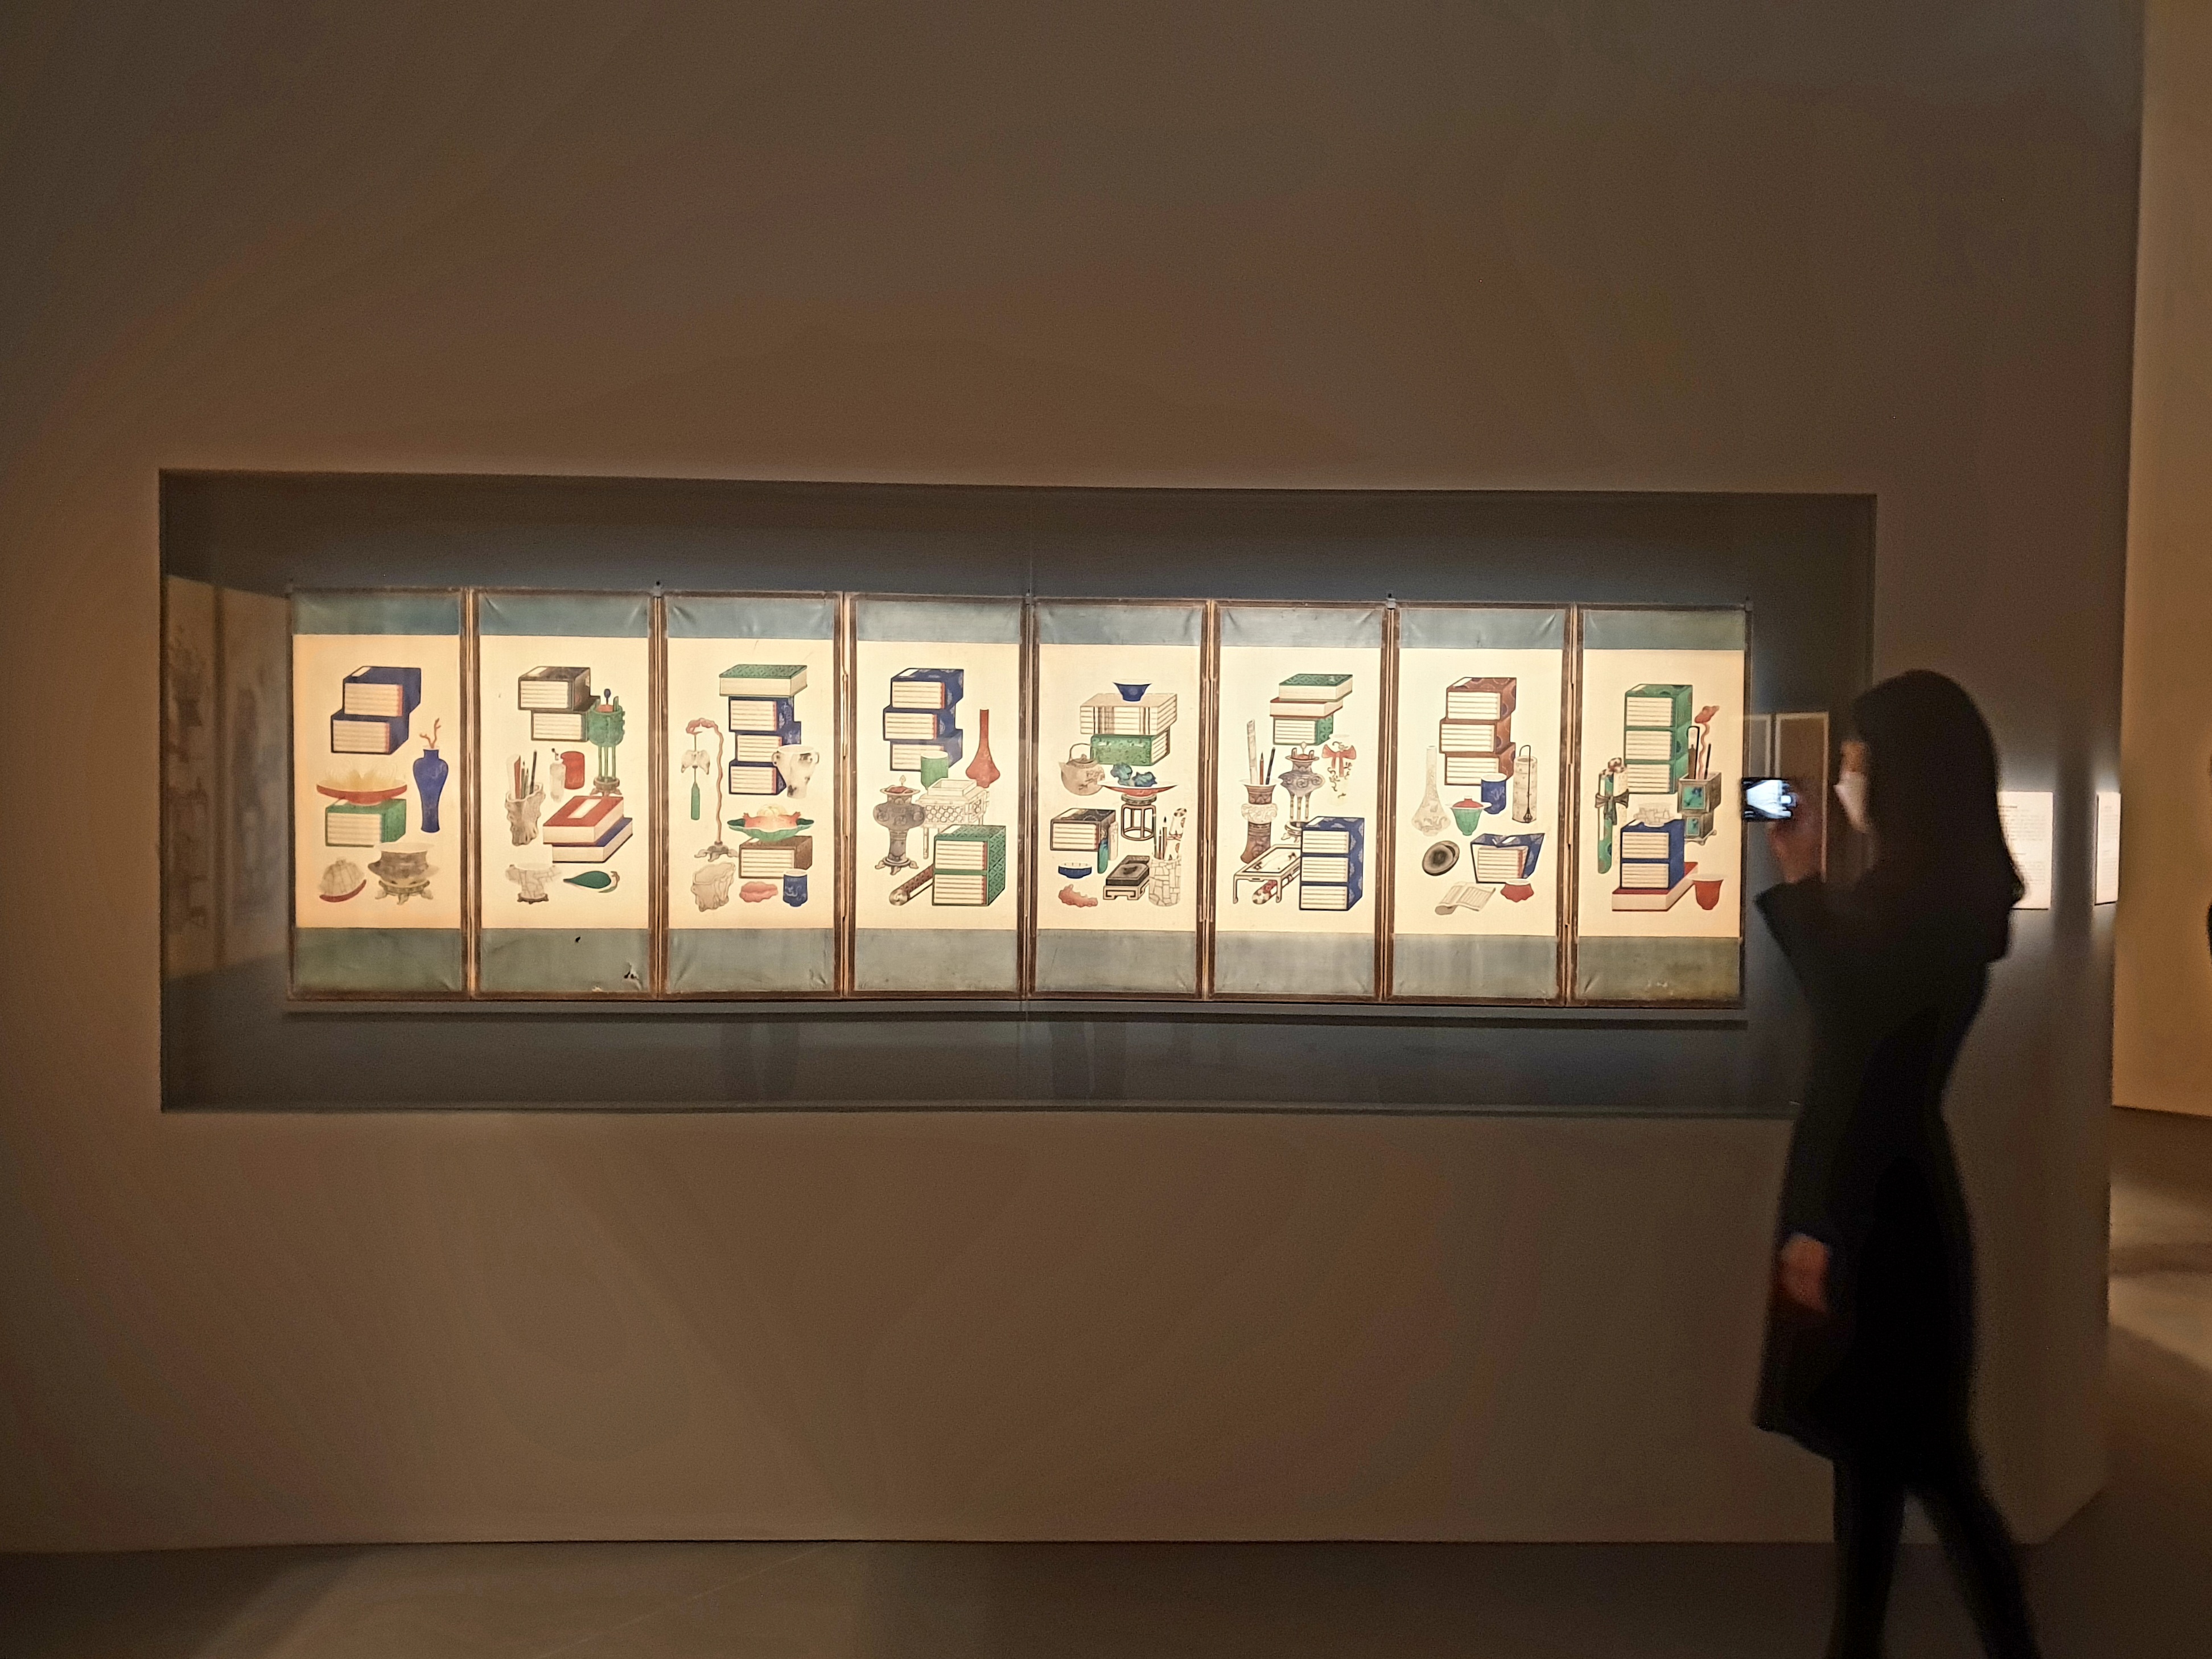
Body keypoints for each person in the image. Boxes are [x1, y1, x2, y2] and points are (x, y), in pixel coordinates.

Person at [1757, 670, 2041, 1659]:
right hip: (1904, 1196)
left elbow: (1857, 1058)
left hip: (1878, 1210)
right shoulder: (1945, 900)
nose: (1846, 772)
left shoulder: (1915, 907)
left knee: (1925, 1466)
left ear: (1905, 774)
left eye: (1859, 755)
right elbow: (1858, 1008)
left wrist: (1820, 1225)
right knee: (1884, 1459)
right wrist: (1806, 877)